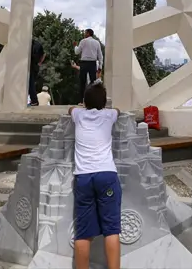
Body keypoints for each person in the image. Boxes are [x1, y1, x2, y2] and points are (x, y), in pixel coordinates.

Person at [69, 83, 121, 269]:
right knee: (111, 229)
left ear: (84, 101)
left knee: (83, 232)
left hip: (83, 176)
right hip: (106, 173)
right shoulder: (109, 115)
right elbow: (118, 110)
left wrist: (81, 107)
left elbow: (70, 109)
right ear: (104, 103)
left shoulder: (78, 114)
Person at [74, 29, 103, 104]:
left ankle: (81, 101)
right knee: (93, 82)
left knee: (82, 82)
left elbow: (77, 52)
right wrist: (100, 66)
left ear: (88, 33)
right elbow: (100, 55)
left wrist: (75, 46)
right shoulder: (97, 42)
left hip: (84, 63)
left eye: (85, 33)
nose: (84, 34)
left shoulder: (83, 41)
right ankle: (92, 100)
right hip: (92, 63)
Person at [28, 37, 45, 106]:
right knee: (31, 83)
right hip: (35, 66)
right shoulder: (38, 44)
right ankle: (34, 100)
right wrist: (40, 63)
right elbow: (43, 54)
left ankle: (34, 100)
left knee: (30, 83)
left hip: (31, 65)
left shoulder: (27, 44)